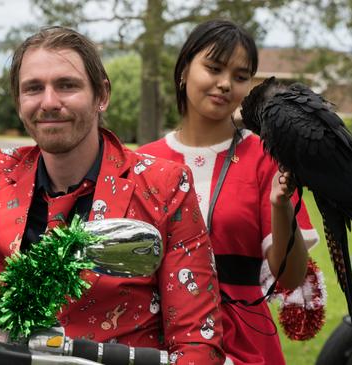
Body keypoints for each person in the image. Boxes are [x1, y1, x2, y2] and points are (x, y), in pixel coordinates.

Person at [0, 26, 225, 364]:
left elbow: (197, 340)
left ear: (102, 95)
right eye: (33, 88)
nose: (49, 102)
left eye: (67, 85)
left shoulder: (164, 186)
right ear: (18, 100)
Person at [137, 20, 320, 365]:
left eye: (240, 76)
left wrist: (281, 208)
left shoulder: (267, 158)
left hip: (243, 340)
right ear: (183, 70)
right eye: (214, 68)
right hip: (156, 334)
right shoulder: (142, 161)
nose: (225, 84)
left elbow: (291, 276)